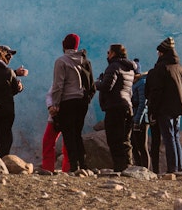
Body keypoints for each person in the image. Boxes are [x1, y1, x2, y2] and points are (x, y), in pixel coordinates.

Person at [48, 33, 93, 171]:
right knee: (77, 133)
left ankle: (73, 165)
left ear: (64, 45)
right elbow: (91, 85)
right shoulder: (85, 61)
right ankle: (83, 163)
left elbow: (58, 85)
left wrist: (55, 104)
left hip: (68, 101)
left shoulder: (61, 61)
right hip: (82, 102)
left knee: (68, 133)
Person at [145, 36, 182, 173]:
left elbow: (156, 92)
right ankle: (179, 168)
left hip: (164, 109)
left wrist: (152, 110)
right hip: (178, 108)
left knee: (168, 138)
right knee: (175, 137)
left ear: (162, 53)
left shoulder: (161, 68)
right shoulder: (180, 68)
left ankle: (172, 169)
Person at [95, 43, 136, 171]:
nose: (107, 55)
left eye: (108, 52)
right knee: (125, 139)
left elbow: (107, 86)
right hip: (127, 106)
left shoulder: (113, 67)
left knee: (114, 139)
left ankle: (119, 167)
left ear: (113, 53)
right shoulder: (130, 69)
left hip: (115, 107)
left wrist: (96, 83)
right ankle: (128, 166)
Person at [41, 89, 70, 172]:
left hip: (67, 115)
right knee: (48, 142)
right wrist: (50, 107)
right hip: (55, 116)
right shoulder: (58, 80)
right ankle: (48, 169)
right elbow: (49, 95)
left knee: (68, 143)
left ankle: (67, 169)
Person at [130, 59, 150, 169]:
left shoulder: (142, 83)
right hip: (135, 119)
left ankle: (145, 169)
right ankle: (138, 168)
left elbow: (143, 103)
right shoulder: (135, 83)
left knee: (142, 146)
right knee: (134, 144)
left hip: (141, 120)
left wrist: (137, 120)